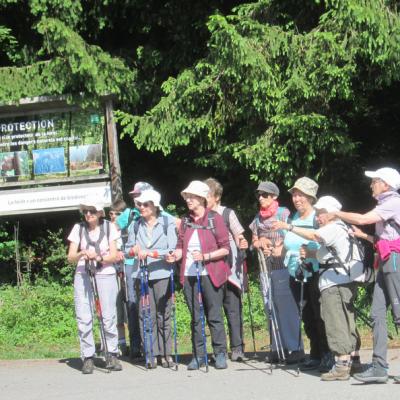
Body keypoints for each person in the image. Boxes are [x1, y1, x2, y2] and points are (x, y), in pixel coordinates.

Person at [275, 196, 364, 380]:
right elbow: (327, 254)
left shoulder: (333, 227)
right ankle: (353, 361)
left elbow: (314, 236)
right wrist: (310, 253)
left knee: (336, 323)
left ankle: (341, 366)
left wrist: (289, 227)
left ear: (332, 213)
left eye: (322, 213)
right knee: (347, 321)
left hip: (334, 283)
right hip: (342, 280)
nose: (318, 217)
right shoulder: (341, 228)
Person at [330, 167, 400, 383]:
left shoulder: (393, 202)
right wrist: (363, 237)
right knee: (377, 313)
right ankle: (379, 367)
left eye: (375, 181)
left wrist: (336, 213)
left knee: (399, 314)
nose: (371, 184)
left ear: (386, 185)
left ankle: (380, 367)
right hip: (386, 261)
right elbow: (384, 239)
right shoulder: (385, 204)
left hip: (395, 261)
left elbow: (362, 218)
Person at [166, 180, 231, 370]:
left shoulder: (214, 218)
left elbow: (225, 248)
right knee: (196, 317)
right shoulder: (185, 221)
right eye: (187, 197)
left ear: (202, 199)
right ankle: (199, 355)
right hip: (189, 274)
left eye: (192, 197)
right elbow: (180, 246)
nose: (188, 200)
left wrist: (205, 256)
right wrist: (175, 255)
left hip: (210, 273)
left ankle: (220, 353)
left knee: (214, 315)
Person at [272, 177, 332, 372]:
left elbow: (322, 241)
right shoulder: (294, 218)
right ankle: (315, 354)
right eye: (294, 195)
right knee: (306, 314)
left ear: (311, 197)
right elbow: (288, 245)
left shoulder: (317, 217)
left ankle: (327, 354)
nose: (296, 199)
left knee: (319, 314)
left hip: (315, 271)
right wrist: (275, 250)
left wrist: (309, 252)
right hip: (296, 273)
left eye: (301, 195)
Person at [250, 181, 304, 364]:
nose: (261, 198)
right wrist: (261, 242)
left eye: (265, 195)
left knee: (287, 308)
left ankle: (295, 348)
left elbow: (292, 236)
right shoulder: (258, 217)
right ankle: (277, 347)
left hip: (283, 267)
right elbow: (254, 240)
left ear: (274, 196)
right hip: (265, 268)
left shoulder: (284, 213)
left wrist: (277, 247)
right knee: (269, 307)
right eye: (259, 195)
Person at [67, 199, 122, 374]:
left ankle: (112, 353)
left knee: (108, 315)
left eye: (91, 210)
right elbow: (70, 257)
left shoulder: (109, 227)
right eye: (85, 211)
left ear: (99, 213)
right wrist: (82, 253)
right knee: (84, 316)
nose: (88, 214)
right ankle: (88, 356)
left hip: (105, 273)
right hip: (83, 274)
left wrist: (98, 257)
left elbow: (114, 255)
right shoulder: (78, 228)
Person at [125, 189, 178, 368]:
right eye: (140, 204)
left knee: (163, 313)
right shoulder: (135, 224)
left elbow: (171, 249)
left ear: (154, 206)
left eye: (145, 204)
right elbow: (127, 249)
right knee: (146, 314)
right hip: (141, 274)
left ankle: (166, 353)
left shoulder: (167, 222)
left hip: (162, 273)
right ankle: (151, 353)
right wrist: (133, 251)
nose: (141, 207)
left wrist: (150, 253)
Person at [204, 177, 248, 362]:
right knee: (214, 311)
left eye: (207, 195)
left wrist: (243, 243)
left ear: (216, 197)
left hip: (230, 270)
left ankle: (237, 348)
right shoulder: (201, 217)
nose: (204, 199)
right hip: (211, 270)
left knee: (233, 310)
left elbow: (239, 235)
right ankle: (219, 349)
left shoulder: (227, 213)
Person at [116, 181, 152, 359]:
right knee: (133, 304)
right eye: (134, 196)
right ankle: (136, 346)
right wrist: (116, 250)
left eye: (138, 195)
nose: (135, 199)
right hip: (131, 263)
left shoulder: (157, 212)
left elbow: (175, 223)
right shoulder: (129, 214)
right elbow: (112, 229)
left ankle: (151, 346)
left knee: (149, 305)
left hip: (151, 263)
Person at [109, 200, 129, 356]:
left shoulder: (128, 229)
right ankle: (121, 343)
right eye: (111, 213)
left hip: (127, 271)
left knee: (131, 308)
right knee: (116, 310)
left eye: (118, 214)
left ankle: (136, 343)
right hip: (113, 272)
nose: (114, 216)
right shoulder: (107, 230)